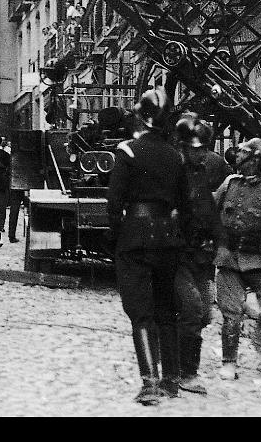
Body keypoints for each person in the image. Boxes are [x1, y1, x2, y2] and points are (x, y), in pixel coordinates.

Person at [106, 90, 192, 405]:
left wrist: (115, 237)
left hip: (135, 237)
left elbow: (114, 201)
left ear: (141, 115)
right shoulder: (176, 156)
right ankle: (172, 379)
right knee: (167, 310)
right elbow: (186, 206)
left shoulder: (127, 151)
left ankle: (149, 382)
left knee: (140, 313)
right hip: (168, 238)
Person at [212, 135, 261, 381]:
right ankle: (229, 361)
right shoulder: (229, 183)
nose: (238, 153)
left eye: (244, 150)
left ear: (256, 159)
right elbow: (209, 212)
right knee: (231, 313)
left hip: (260, 261)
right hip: (229, 259)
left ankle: (260, 338)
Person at [169, 114, 228, 395]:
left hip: (201, 257)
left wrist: (221, 243)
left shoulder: (200, 175)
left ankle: (172, 353)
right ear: (183, 148)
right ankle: (186, 373)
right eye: (196, 148)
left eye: (204, 148)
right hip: (175, 255)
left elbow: (211, 215)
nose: (201, 153)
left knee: (204, 313)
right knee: (192, 309)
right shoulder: (168, 174)